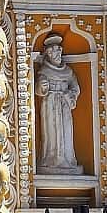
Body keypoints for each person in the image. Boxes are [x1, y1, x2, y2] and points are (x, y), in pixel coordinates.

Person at [34, 33, 82, 174]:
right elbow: (38, 89)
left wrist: (69, 95)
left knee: (66, 131)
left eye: (59, 51)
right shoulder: (44, 71)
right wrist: (42, 87)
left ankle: (67, 160)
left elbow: (75, 88)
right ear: (48, 54)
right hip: (50, 104)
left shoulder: (68, 72)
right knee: (51, 132)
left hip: (64, 103)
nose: (58, 54)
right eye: (54, 52)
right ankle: (50, 160)